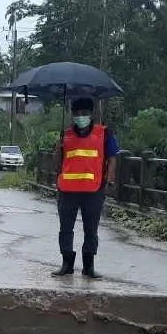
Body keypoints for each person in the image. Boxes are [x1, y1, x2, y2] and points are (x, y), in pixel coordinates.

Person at [51, 97, 118, 278]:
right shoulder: (65, 135)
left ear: (91, 114)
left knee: (91, 230)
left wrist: (110, 180)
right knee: (65, 229)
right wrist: (58, 149)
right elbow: (57, 165)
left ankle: (89, 267)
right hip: (67, 191)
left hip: (93, 190)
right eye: (77, 114)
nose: (81, 117)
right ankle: (67, 264)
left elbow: (112, 158)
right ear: (72, 115)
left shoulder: (104, 133)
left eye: (84, 113)